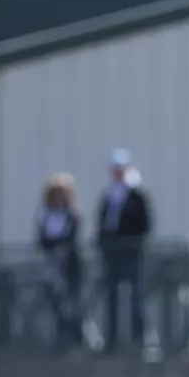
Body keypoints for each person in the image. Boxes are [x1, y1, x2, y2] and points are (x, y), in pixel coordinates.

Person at [96, 148, 152, 349]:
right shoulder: (109, 195)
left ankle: (139, 338)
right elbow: (102, 224)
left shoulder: (137, 195)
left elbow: (145, 225)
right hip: (112, 254)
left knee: (136, 295)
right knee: (112, 295)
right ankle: (111, 339)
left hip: (131, 253)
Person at [36, 173, 85, 348]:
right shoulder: (45, 215)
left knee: (73, 303)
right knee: (55, 302)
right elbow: (42, 240)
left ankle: (77, 337)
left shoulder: (72, 214)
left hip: (70, 265)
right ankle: (61, 336)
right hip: (52, 265)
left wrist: (58, 245)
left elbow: (70, 238)